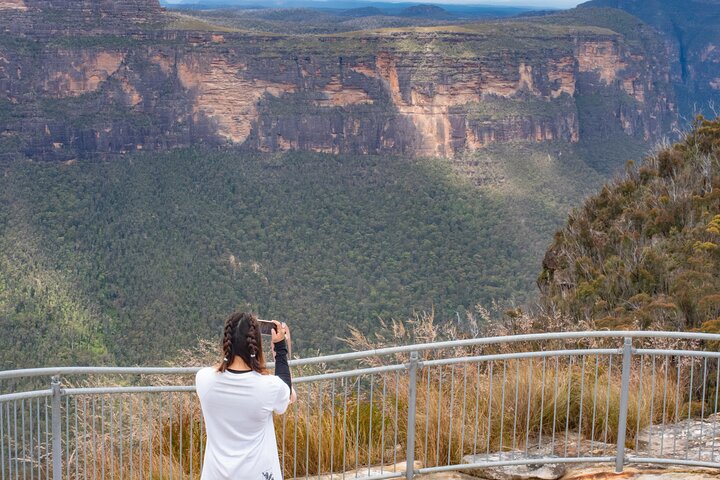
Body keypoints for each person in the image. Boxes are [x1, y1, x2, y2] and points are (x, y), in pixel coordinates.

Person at [196, 312, 296, 480]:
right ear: (255, 344)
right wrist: (280, 350)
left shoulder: (203, 379)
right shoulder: (269, 386)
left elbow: (219, 370)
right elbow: (287, 392)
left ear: (226, 342)